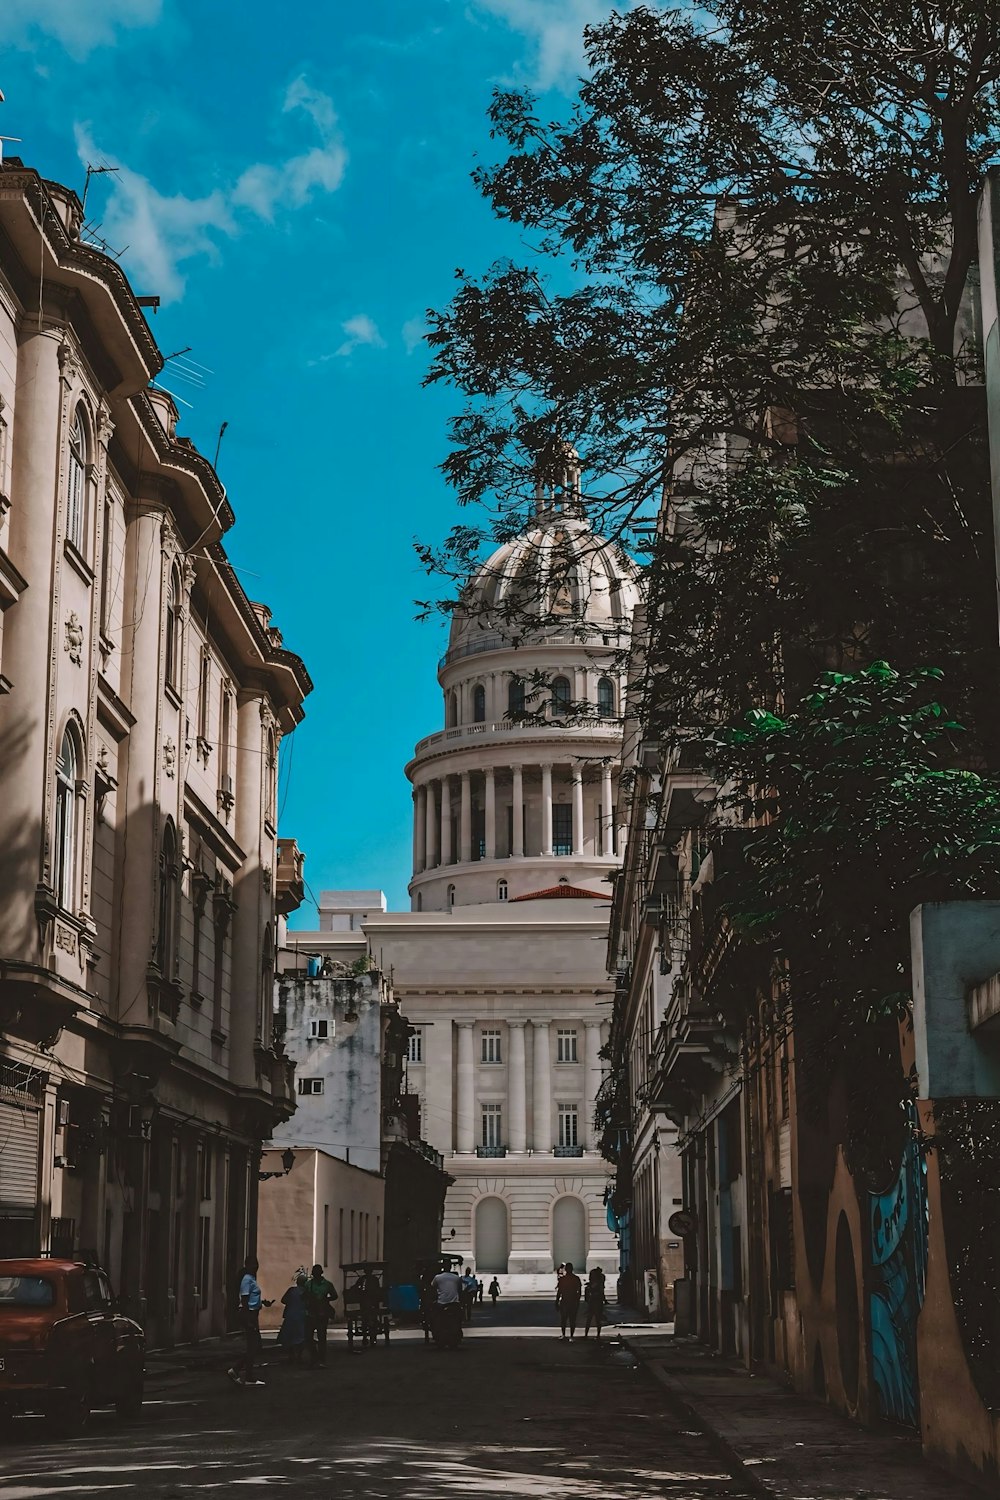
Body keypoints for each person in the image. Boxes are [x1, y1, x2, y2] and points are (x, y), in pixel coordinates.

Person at [228, 1255, 273, 1386]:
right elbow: (245, 1299)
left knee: (255, 1346)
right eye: (253, 1264)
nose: (256, 1266)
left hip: (253, 1313)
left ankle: (246, 1374)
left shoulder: (252, 1278)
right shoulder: (247, 1279)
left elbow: (253, 1297)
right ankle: (239, 1371)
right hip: (249, 1314)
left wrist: (263, 1302)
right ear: (247, 1265)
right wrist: (248, 1319)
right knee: (253, 1346)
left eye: (257, 1263)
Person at [303, 1263, 338, 1367]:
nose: (316, 1275)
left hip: (322, 1313)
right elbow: (304, 1297)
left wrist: (325, 1300)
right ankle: (314, 1357)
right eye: (315, 1273)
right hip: (311, 1313)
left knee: (322, 1337)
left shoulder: (327, 1284)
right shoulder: (308, 1284)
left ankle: (321, 1359)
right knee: (308, 1337)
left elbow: (334, 1296)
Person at [430, 1262, 464, 1349]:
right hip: (454, 1303)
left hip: (441, 1303)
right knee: (459, 1319)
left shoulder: (438, 1277)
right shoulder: (456, 1278)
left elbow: (433, 1287)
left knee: (434, 1318)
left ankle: (436, 1332)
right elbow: (460, 1290)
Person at [277, 1273, 308, 1364]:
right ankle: (298, 1355)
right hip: (302, 1316)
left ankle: (291, 1355)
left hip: (290, 1315)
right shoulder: (306, 1292)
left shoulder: (291, 1290)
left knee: (290, 1336)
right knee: (301, 1337)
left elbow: (283, 1300)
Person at [555, 1260, 583, 1340]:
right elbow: (579, 1291)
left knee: (564, 1319)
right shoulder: (576, 1278)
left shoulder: (563, 1279)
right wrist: (577, 1300)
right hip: (572, 1301)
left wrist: (557, 1301)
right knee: (572, 1319)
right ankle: (571, 1336)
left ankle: (564, 1335)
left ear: (566, 1269)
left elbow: (559, 1292)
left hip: (565, 1301)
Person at [358, 1268, 382, 1346]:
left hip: (369, 1302)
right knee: (370, 1319)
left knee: (366, 1319)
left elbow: (357, 1287)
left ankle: (367, 1337)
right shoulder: (373, 1279)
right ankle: (370, 1337)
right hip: (370, 1302)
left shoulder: (363, 1279)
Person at [583, 1266, 607, 1338]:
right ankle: (597, 1335)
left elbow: (599, 1291)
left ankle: (587, 1334)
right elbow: (602, 1291)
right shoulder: (599, 1282)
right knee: (597, 1318)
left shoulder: (595, 1284)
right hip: (597, 1301)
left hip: (594, 1301)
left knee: (591, 1318)